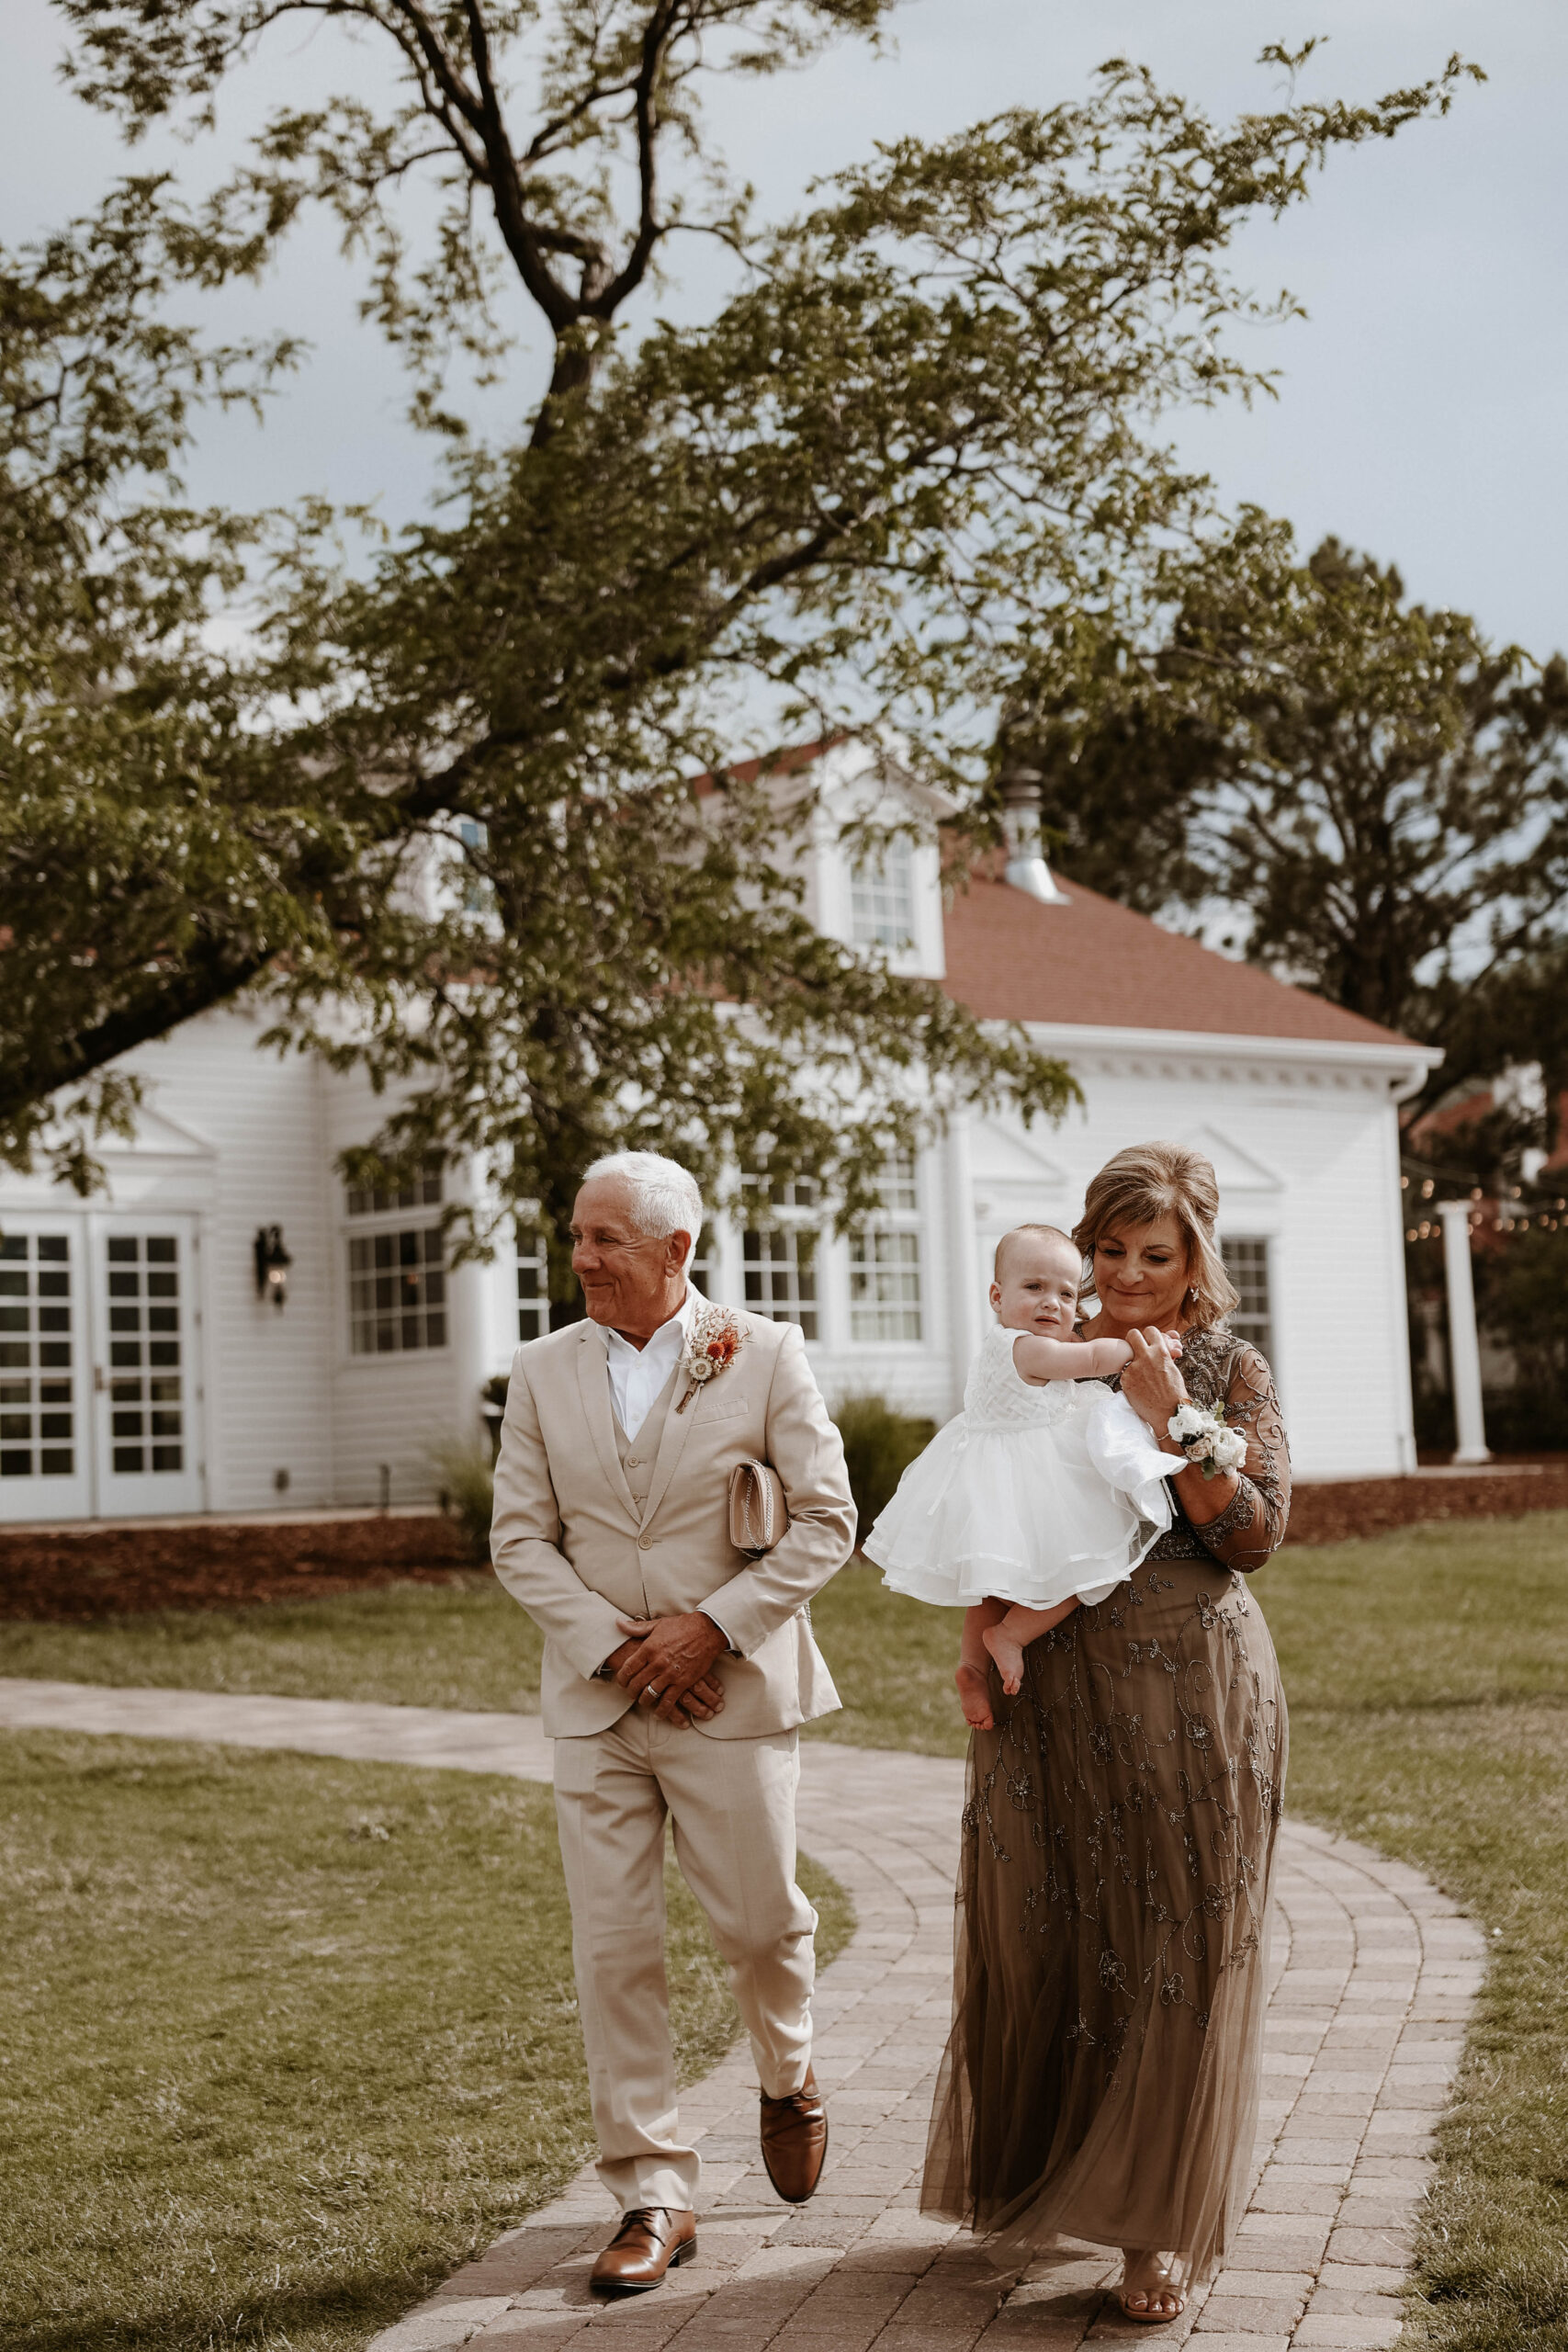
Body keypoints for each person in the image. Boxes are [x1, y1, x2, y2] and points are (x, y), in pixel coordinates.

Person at [922, 1143, 1291, 2328]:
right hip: (1053, 1694)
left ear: (1195, 1264)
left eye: (1155, 1255)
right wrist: (984, 1629)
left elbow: (1256, 1533)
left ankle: (1155, 2235)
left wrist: (1172, 1415)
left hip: (1193, 1687)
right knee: (1058, 1935)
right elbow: (988, 1493)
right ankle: (1048, 2176)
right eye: (1110, 1251)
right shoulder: (1042, 1355)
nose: (1127, 1276)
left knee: (1179, 1946)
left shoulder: (1231, 1365)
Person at [490, 1149, 857, 2295]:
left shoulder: (765, 1353)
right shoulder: (542, 1370)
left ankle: (788, 2071)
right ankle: (652, 2192)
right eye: (577, 1235)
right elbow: (518, 1539)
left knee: (759, 1925)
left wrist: (712, 1628)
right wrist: (620, 1647)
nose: (582, 1257)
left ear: (675, 1251)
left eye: (605, 1238)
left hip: (733, 1694)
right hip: (598, 1705)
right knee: (613, 1952)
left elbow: (827, 1518)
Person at [863, 1224, 1185, 1728]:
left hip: (990, 1476)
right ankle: (1012, 1634)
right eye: (1033, 1288)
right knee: (1087, 1567)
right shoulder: (1030, 1348)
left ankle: (971, 1666)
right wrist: (1148, 1346)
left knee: (989, 1583)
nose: (1051, 1304)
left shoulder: (1000, 1343)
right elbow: (1093, 1358)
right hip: (1033, 1475)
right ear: (997, 1296)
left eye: (1064, 1293)